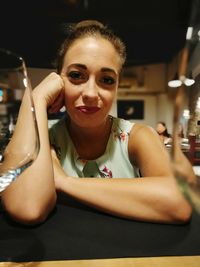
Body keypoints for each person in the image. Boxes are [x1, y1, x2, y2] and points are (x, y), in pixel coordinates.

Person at [0, 20, 193, 225]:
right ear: (57, 81)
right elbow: (27, 208)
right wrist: (37, 97)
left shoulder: (137, 136)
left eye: (107, 80)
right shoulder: (42, 136)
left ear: (117, 86)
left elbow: (180, 201)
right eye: (76, 75)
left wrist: (65, 182)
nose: (91, 94)